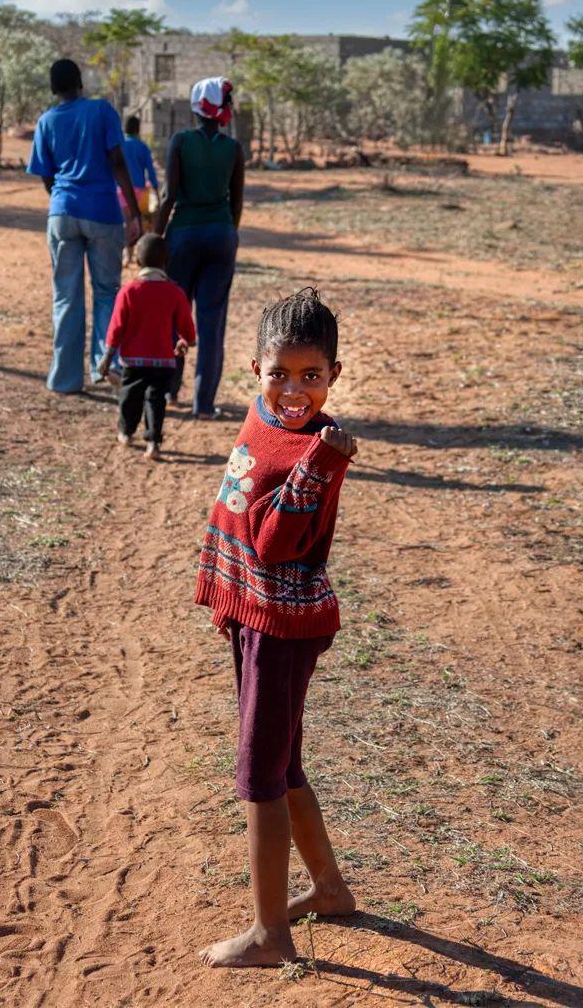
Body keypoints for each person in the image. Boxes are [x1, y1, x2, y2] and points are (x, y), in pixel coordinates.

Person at [194, 288, 358, 968]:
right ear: (255, 370)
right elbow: (234, 502)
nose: (295, 390)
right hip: (254, 617)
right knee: (282, 763)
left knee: (259, 773)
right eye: (280, 374)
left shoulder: (313, 454)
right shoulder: (261, 418)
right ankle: (328, 889)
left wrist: (320, 463)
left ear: (334, 375)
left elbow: (275, 543)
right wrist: (225, 602)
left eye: (311, 377)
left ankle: (269, 935)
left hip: (284, 627)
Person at [27, 58, 142, 394]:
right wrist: (133, 213)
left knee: (66, 296)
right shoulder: (101, 111)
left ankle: (64, 379)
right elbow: (117, 162)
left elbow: (47, 176)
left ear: (53, 88)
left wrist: (64, 198)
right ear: (80, 83)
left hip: (62, 213)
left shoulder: (46, 121)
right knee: (107, 292)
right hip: (103, 213)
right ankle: (105, 368)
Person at [153, 75, 244, 420]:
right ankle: (203, 404)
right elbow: (236, 203)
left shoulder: (180, 141)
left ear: (195, 108)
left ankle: (168, 391)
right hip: (221, 237)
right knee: (211, 321)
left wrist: (155, 238)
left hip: (182, 237)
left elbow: (168, 196)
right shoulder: (233, 149)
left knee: (175, 316)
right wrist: (227, 234)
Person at [97, 234, 195, 460]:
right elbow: (186, 327)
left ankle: (126, 432)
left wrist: (107, 356)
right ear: (166, 262)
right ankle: (153, 442)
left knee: (129, 396)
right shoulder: (174, 292)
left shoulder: (129, 291)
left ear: (138, 262)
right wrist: (185, 340)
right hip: (163, 360)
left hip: (133, 360)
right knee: (156, 399)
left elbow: (116, 327)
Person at [119, 115, 159, 265]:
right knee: (139, 220)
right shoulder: (142, 147)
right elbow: (150, 170)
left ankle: (127, 255)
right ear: (138, 129)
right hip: (138, 190)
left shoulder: (119, 144)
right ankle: (140, 254)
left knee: (127, 221)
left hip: (121, 190)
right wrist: (155, 187)